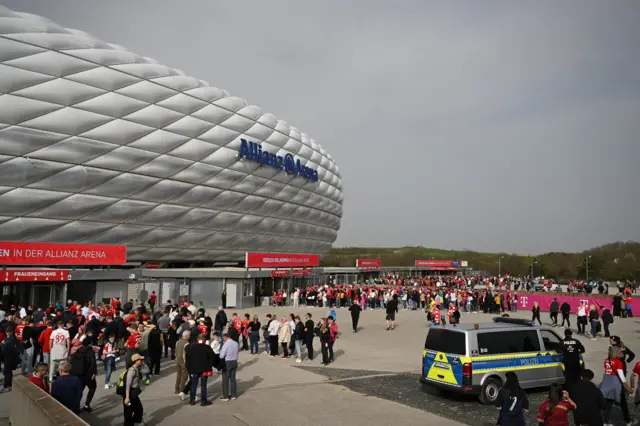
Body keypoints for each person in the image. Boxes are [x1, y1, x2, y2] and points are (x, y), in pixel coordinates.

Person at [600, 345, 633, 425]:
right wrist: (629, 388)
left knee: (608, 404)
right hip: (614, 384)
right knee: (615, 401)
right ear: (616, 353)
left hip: (606, 381)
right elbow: (622, 377)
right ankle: (627, 420)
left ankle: (605, 421)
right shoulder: (618, 362)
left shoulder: (606, 360)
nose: (622, 354)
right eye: (620, 352)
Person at [71, 332, 98, 413]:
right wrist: (94, 372)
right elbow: (93, 363)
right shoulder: (90, 351)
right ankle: (87, 405)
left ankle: (76, 406)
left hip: (79, 374)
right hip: (88, 374)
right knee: (92, 388)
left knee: (80, 390)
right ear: (90, 344)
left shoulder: (78, 351)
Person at [185, 334, 214, 406]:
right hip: (205, 369)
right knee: (203, 385)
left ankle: (192, 400)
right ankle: (203, 401)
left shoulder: (191, 348)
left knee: (193, 385)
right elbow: (212, 357)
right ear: (203, 339)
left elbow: (187, 360)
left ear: (197, 340)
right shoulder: (207, 347)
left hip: (194, 369)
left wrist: (189, 369)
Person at [123, 354, 145, 426]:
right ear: (136, 361)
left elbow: (146, 370)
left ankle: (135, 422)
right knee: (130, 412)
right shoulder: (131, 371)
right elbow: (128, 385)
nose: (142, 361)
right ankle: (134, 423)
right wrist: (127, 397)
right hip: (130, 393)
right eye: (140, 360)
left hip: (133, 393)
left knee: (137, 409)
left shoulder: (137, 368)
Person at [0, 326, 20, 393]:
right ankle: (7, 385)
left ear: (11, 332)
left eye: (8, 332)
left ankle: (8, 386)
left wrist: (2, 344)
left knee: (7, 373)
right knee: (7, 372)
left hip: (8, 358)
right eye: (7, 332)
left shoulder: (10, 340)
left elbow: (3, 347)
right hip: (9, 358)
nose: (7, 333)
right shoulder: (10, 339)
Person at [219, 333, 239, 401]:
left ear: (225, 338)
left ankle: (226, 396)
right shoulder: (236, 343)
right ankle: (233, 395)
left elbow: (222, 355)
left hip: (227, 362)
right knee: (233, 379)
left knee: (225, 380)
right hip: (234, 361)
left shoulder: (226, 344)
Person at [175, 330, 190, 401]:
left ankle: (176, 389)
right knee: (184, 377)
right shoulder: (186, 343)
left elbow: (175, 351)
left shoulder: (178, 342)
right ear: (187, 336)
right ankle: (181, 391)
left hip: (178, 360)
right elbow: (186, 354)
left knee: (178, 375)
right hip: (183, 362)